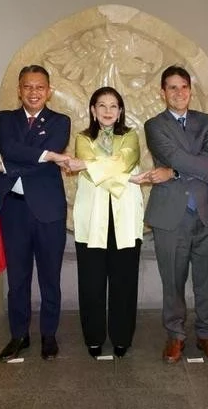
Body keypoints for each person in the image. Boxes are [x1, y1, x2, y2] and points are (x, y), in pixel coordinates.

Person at [144, 65, 208, 363]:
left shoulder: (206, 121)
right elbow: (175, 156)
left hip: (205, 211)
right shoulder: (154, 125)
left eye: (183, 86)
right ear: (163, 93)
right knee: (172, 279)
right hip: (170, 214)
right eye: (172, 87)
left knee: (206, 278)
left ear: (190, 90)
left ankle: (207, 334)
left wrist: (174, 171)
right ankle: (175, 336)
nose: (179, 92)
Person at [62, 87, 149, 358]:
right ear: (93, 110)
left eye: (114, 106)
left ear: (121, 110)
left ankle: (122, 337)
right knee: (91, 282)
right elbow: (99, 170)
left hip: (124, 218)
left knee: (124, 282)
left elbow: (124, 161)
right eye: (102, 105)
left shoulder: (131, 136)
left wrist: (89, 165)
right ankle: (94, 337)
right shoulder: (82, 138)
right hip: (92, 219)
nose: (108, 111)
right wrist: (129, 178)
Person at [0, 65, 71, 361]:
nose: (34, 92)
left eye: (39, 87)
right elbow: (8, 146)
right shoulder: (5, 119)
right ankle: (19, 335)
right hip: (13, 208)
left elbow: (25, 153)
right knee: (18, 278)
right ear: (19, 90)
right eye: (28, 87)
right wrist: (46, 156)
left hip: (48, 209)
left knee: (50, 277)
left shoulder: (60, 121)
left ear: (48, 91)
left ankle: (48, 335)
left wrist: (7, 166)